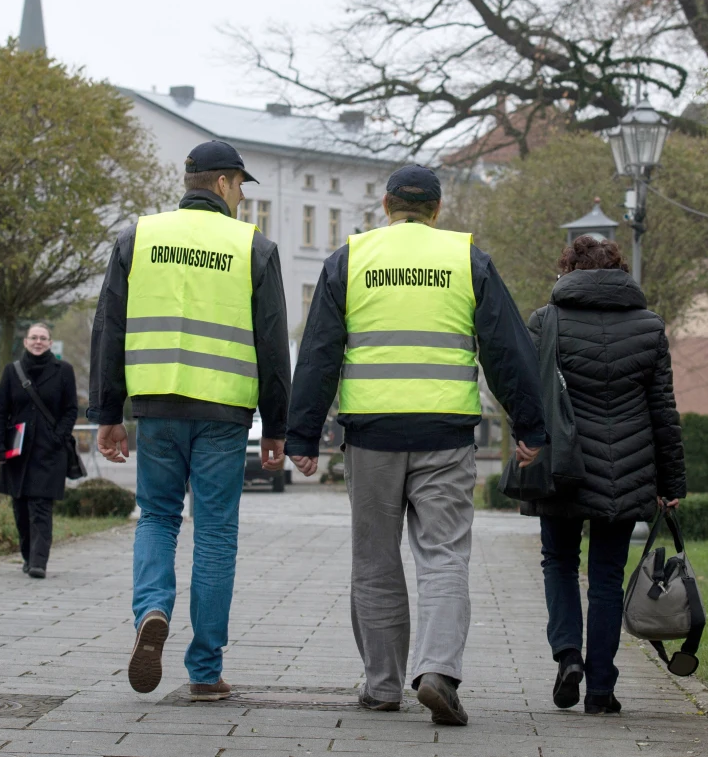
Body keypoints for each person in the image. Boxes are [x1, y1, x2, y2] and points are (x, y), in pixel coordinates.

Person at [286, 164, 546, 726]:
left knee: (375, 561)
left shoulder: (348, 261)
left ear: (384, 205)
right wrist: (530, 426)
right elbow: (507, 349)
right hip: (446, 436)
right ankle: (437, 673)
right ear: (438, 209)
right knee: (444, 555)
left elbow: (319, 352)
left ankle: (381, 686)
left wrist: (304, 433)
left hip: (372, 437)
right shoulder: (466, 258)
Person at [88, 140, 291, 701]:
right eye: (241, 189)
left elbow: (109, 326)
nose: (242, 201)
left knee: (156, 517)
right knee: (216, 533)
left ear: (189, 181)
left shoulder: (138, 237)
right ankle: (204, 669)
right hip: (224, 413)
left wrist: (108, 413)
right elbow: (274, 345)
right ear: (224, 185)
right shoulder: (254, 247)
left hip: (155, 409)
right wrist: (277, 426)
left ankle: (152, 609)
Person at [522, 236, 685, 715]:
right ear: (618, 272)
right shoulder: (649, 327)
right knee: (608, 578)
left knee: (558, 562)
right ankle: (600, 689)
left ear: (568, 269)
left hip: (562, 465)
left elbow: (530, 394)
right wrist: (671, 483)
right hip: (629, 468)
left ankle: (568, 655)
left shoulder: (546, 321)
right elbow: (663, 411)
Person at [0, 322, 77, 579]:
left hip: (49, 453)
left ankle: (39, 562)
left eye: (43, 338)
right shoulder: (12, 372)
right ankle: (28, 556)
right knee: (20, 508)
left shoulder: (64, 371)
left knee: (41, 507)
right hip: (17, 453)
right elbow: (0, 411)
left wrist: (59, 436)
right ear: (26, 341)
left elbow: (71, 409)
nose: (38, 342)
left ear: (50, 343)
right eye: (34, 337)